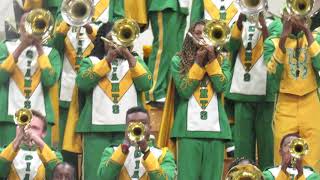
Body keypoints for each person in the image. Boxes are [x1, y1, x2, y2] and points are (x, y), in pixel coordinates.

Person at [64, 22, 152, 179]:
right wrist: (107, 60)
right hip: (95, 131)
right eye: (112, 38)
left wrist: (129, 56)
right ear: (103, 40)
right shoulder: (90, 61)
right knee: (95, 175)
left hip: (128, 130)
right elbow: (83, 84)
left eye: (120, 39)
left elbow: (146, 84)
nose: (116, 43)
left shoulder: (135, 61)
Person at [168, 20, 232, 180]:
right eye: (198, 33)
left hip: (216, 132)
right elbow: (184, 90)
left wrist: (211, 59)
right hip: (187, 131)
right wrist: (197, 62)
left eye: (206, 33)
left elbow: (221, 86)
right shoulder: (178, 60)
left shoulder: (223, 61)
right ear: (190, 36)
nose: (202, 37)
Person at [264, 9, 320, 171]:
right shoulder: (272, 42)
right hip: (285, 102)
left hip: (311, 102)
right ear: (283, 17)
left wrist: (307, 32)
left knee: (312, 154)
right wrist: (283, 40)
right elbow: (272, 75)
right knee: (284, 154)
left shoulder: (316, 38)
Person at [0, 13, 61, 147]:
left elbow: (49, 80)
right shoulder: (5, 48)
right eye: (26, 22)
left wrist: (39, 48)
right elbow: (1, 76)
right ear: (19, 27)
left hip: (42, 119)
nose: (30, 28)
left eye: (35, 24)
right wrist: (21, 46)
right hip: (9, 119)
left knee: (41, 161)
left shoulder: (52, 53)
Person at [97, 107, 176, 179]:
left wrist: (146, 152)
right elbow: (103, 177)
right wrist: (123, 150)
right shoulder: (111, 151)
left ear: (150, 127)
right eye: (132, 123)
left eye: (143, 122)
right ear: (126, 128)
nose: (137, 126)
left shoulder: (164, 154)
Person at [0, 110, 62, 180]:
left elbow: (58, 174)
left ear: (44, 133)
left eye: (34, 128)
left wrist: (38, 141)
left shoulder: (55, 155)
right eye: (25, 126)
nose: (28, 130)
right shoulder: (3, 152)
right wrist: (17, 139)